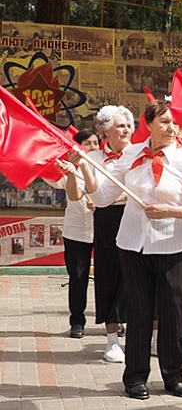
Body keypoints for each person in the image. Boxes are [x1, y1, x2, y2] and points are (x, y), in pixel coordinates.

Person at [86, 100, 182, 400]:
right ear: (148, 125)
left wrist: (174, 211)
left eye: (174, 123)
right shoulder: (131, 153)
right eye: (164, 122)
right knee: (139, 311)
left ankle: (174, 375)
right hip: (133, 243)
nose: (171, 128)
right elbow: (104, 197)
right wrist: (84, 170)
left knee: (172, 311)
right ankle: (135, 376)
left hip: (173, 245)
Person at [69, 106, 134, 362]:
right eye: (120, 126)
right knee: (108, 276)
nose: (126, 130)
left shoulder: (138, 155)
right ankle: (112, 341)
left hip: (135, 218)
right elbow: (76, 194)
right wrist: (72, 172)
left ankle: (146, 335)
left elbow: (143, 191)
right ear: (106, 130)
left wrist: (111, 198)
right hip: (106, 223)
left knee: (137, 276)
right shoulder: (92, 158)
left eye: (129, 125)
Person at [47, 129, 100, 339]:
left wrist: (104, 204)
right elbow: (64, 187)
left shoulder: (106, 167)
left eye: (96, 143)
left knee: (110, 277)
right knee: (78, 279)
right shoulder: (68, 169)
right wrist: (68, 169)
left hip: (104, 230)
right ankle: (77, 321)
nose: (93, 147)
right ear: (76, 147)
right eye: (88, 143)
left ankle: (115, 319)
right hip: (76, 231)